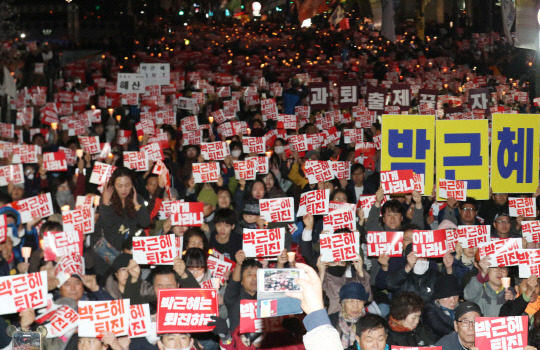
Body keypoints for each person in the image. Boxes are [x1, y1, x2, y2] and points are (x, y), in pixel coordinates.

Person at [224, 250, 261, 333]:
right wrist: (239, 264)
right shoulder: (234, 298)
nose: (254, 278)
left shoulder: (266, 297)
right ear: (241, 280)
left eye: (257, 274)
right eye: (249, 274)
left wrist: (280, 263)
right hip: (239, 343)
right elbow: (234, 283)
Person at [328, 282, 370, 350]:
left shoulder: (371, 321)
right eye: (351, 301)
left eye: (359, 301)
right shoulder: (332, 320)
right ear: (343, 303)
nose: (355, 306)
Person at [423, 274, 461, 341]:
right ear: (438, 298)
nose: (453, 300)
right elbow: (438, 326)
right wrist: (458, 335)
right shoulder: (430, 309)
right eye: (448, 297)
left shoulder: (463, 307)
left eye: (455, 295)